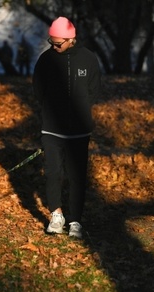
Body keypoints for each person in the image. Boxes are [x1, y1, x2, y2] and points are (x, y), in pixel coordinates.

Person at [32, 17, 101, 238]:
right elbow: (38, 90)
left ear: (71, 40)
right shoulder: (45, 60)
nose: (54, 47)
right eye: (51, 42)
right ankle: (56, 215)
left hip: (79, 131)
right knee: (53, 173)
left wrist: (79, 112)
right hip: (52, 129)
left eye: (58, 43)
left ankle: (75, 221)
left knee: (77, 176)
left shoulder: (88, 59)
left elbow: (93, 91)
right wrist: (51, 112)